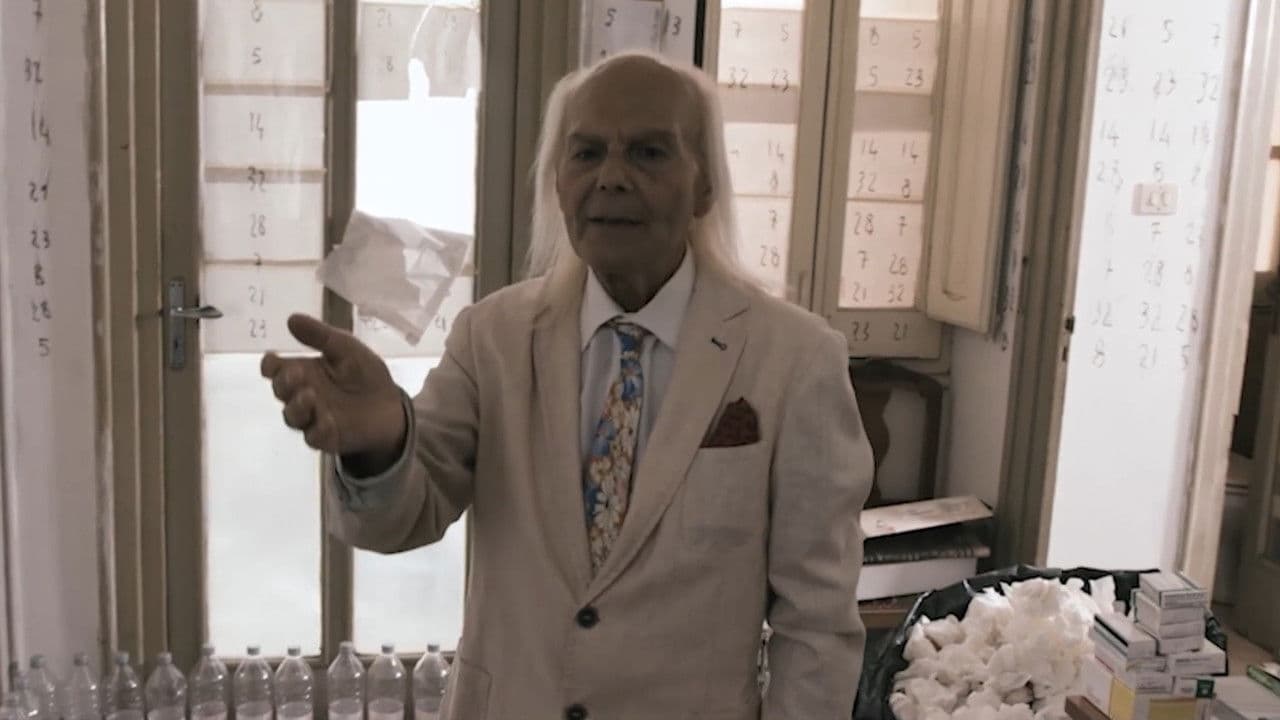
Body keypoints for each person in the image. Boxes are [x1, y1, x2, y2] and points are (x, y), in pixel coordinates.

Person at [262, 52, 873, 719]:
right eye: (586, 153)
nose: (611, 177)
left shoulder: (795, 359)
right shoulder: (492, 338)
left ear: (704, 186)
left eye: (648, 153)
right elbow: (402, 517)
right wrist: (380, 447)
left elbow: (817, 622)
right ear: (557, 181)